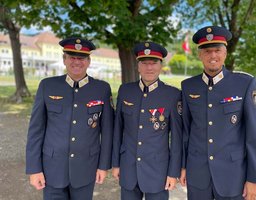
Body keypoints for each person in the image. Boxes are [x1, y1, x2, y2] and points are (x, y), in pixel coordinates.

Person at [179, 26, 256, 200]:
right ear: (200, 55)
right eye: (207, 51)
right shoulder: (188, 86)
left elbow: (254, 136)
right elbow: (186, 132)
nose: (213, 56)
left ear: (225, 54)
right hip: (198, 175)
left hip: (233, 176)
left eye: (217, 50)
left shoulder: (244, 84)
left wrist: (254, 178)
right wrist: (183, 166)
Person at [26, 37, 114, 200]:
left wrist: (103, 166)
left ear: (88, 61)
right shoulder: (47, 86)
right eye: (71, 57)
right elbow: (36, 131)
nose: (76, 62)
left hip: (86, 168)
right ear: (64, 59)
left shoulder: (102, 89)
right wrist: (34, 169)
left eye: (81, 58)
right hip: (52, 168)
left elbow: (108, 131)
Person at [112, 42, 182, 200]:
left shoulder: (173, 95)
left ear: (161, 65)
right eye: (144, 63)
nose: (149, 68)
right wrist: (116, 163)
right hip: (128, 168)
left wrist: (173, 173)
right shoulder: (125, 91)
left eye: (154, 63)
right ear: (138, 66)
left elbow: (177, 138)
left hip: (158, 171)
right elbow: (118, 130)